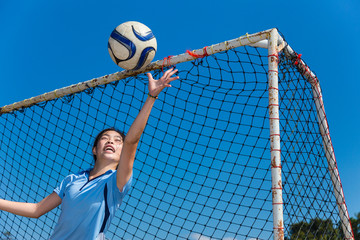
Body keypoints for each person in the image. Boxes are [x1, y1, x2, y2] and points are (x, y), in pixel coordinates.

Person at [0, 68, 180, 240]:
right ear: (95, 149)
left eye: (118, 141)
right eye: (105, 138)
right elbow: (37, 210)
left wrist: (151, 96)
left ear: (122, 151)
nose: (111, 141)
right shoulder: (71, 179)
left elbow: (132, 141)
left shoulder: (117, 181)